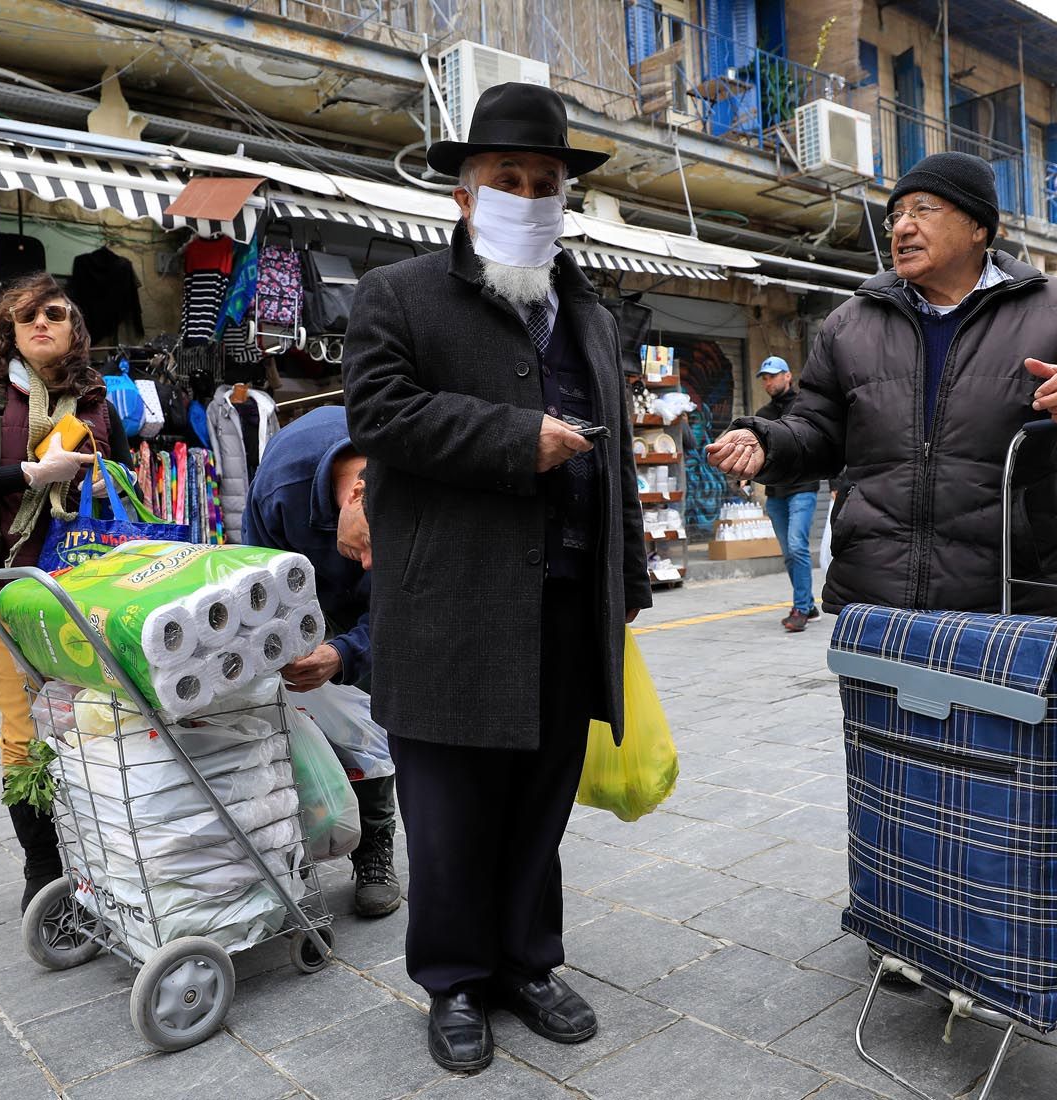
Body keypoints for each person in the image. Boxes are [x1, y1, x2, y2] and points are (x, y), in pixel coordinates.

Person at [343, 82, 649, 1075]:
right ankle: (453, 979)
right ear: (465, 196)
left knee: (537, 802)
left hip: (565, 599)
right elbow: (381, 415)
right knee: (448, 809)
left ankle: (526, 961)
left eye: (544, 181)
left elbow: (616, 465)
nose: (527, 193)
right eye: (506, 179)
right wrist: (519, 440)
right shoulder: (400, 293)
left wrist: (627, 585)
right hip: (450, 604)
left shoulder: (590, 313)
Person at [704, 151, 1057, 615]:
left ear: (978, 226)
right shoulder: (849, 323)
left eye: (923, 210)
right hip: (875, 599)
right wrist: (766, 442)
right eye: (896, 217)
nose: (903, 227)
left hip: (1006, 598)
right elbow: (818, 431)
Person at [0, 273, 129, 911]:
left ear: (75, 327)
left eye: (53, 313)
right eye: (25, 318)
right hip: (10, 584)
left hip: (88, 583)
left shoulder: (97, 398)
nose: (39, 323)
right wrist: (28, 473)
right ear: (8, 331)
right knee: (24, 727)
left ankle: (111, 854)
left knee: (102, 717)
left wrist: (104, 483)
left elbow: (123, 476)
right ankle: (43, 875)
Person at [240, 405, 401, 917]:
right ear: (356, 495)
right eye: (367, 546)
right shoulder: (280, 489)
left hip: (388, 604)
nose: (370, 560)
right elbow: (257, 582)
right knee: (291, 710)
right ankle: (290, 844)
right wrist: (286, 644)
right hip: (306, 598)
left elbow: (403, 604)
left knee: (370, 714)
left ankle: (375, 843)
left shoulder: (412, 481)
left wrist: (346, 653)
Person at [750, 355, 824, 631]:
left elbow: (824, 441)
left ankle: (801, 609)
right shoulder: (762, 416)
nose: (768, 382)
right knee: (789, 553)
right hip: (775, 493)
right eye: (765, 378)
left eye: (773, 375)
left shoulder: (804, 408)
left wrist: (839, 483)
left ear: (788, 376)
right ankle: (808, 604)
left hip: (803, 487)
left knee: (796, 546)